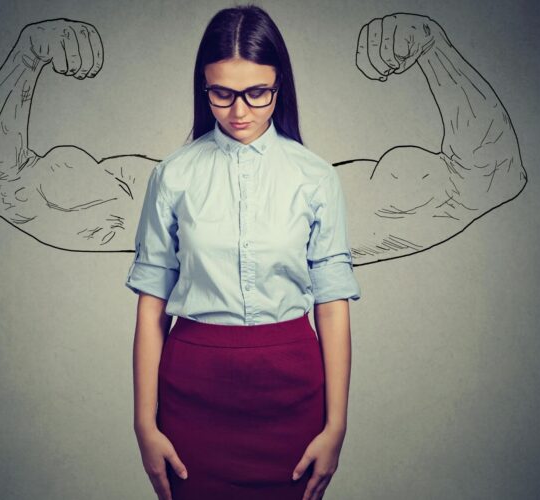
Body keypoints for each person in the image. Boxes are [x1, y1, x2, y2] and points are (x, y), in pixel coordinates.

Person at [125, 5, 361, 500]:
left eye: (257, 92)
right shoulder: (172, 176)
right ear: (203, 88)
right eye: (221, 93)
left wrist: (336, 425)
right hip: (192, 388)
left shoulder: (315, 176)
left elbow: (332, 305)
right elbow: (151, 309)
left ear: (280, 86)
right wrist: (144, 425)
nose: (239, 111)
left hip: (292, 387)